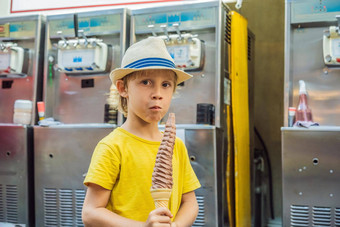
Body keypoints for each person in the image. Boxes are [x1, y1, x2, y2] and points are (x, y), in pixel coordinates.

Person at [82, 37, 201, 227]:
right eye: (146, 82)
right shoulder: (113, 147)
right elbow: (90, 213)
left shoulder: (176, 146)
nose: (157, 93)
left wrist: (175, 225)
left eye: (166, 84)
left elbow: (190, 202)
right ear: (123, 88)